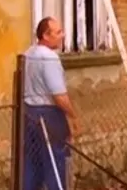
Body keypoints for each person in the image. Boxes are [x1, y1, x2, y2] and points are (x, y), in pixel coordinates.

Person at [23, 17, 79, 190]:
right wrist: (73, 116)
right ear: (46, 35)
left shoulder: (28, 53)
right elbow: (59, 95)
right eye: (58, 32)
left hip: (28, 112)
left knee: (32, 162)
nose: (62, 36)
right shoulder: (49, 58)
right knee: (55, 161)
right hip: (48, 114)